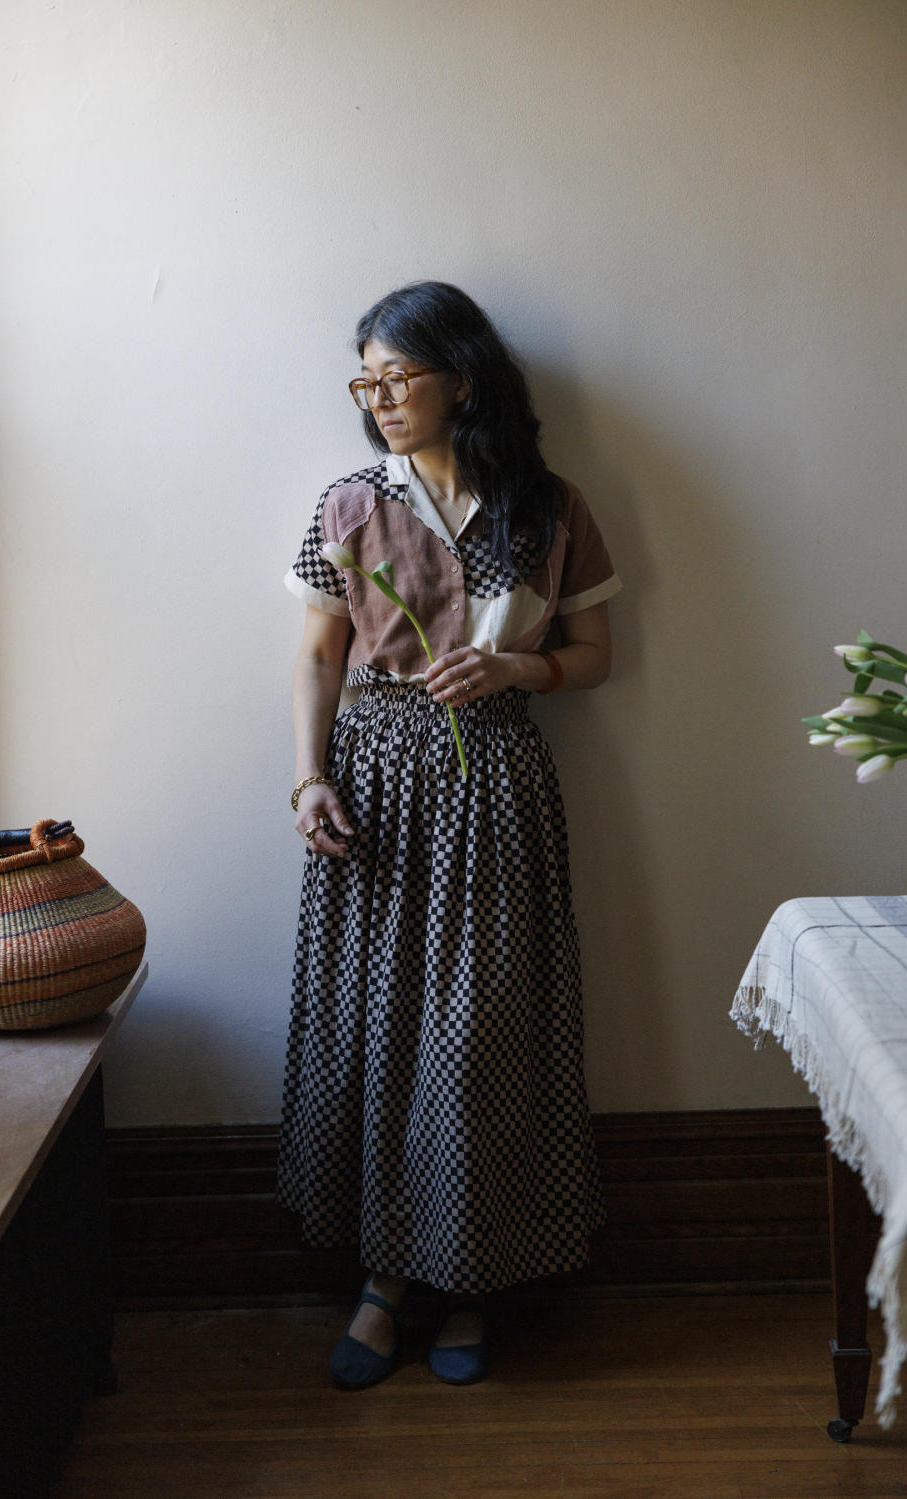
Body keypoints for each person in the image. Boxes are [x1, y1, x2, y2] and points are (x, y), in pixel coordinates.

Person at [279, 281, 621, 1390]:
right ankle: (384, 1278)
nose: (379, 397)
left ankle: (470, 1278)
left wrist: (515, 665)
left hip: (497, 783)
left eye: (399, 375)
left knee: (480, 1032)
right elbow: (321, 655)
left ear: (462, 378)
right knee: (381, 1028)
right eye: (365, 378)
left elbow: (597, 654)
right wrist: (306, 778)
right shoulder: (348, 503)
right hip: (373, 783)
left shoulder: (549, 506)